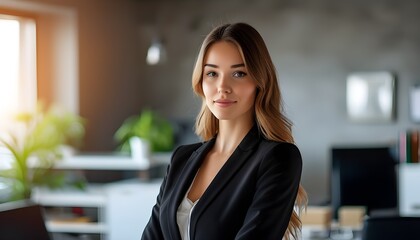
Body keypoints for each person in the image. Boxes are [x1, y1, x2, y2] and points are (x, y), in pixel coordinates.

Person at [141, 22, 307, 240]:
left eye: (238, 73)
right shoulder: (182, 159)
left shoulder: (278, 158)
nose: (222, 87)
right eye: (212, 73)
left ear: (260, 82)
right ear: (200, 81)